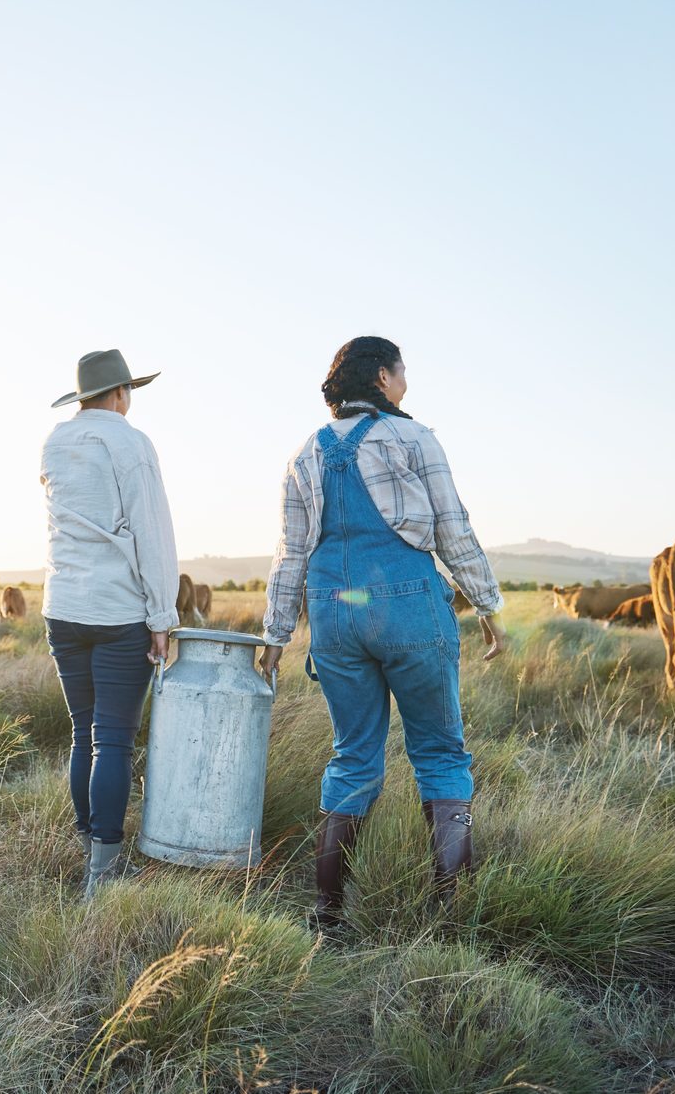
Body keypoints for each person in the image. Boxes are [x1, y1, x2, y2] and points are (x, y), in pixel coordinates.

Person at [259, 336, 505, 930]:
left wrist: (275, 633)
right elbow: (454, 526)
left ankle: (327, 918)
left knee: (352, 758)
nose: (405, 385)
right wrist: (488, 604)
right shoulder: (416, 438)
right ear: (383, 378)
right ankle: (450, 924)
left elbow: (291, 553)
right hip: (409, 608)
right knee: (441, 755)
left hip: (335, 613)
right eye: (402, 374)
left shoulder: (304, 453)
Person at [41, 349, 180, 897]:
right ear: (122, 394)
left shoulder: (54, 442)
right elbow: (152, 531)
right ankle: (103, 873)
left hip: (63, 606)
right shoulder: (130, 442)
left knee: (84, 733)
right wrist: (162, 616)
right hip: (118, 610)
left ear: (82, 397)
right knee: (114, 740)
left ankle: (89, 849)